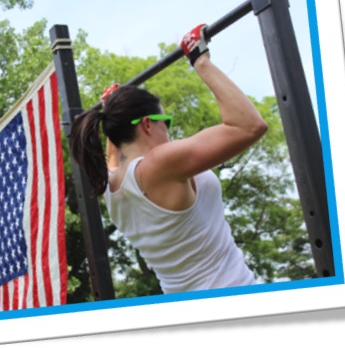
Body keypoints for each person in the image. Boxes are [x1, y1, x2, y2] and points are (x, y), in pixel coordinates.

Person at [69, 24, 268, 294]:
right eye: (167, 122)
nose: (169, 131)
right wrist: (200, 59)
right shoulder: (158, 164)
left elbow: (112, 159)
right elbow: (249, 126)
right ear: (148, 124)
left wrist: (112, 107)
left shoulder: (110, 186)